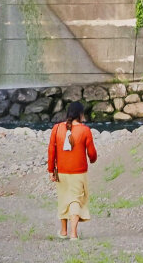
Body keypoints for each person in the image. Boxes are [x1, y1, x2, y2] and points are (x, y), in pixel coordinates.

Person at [47, 101, 98, 240]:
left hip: (61, 171)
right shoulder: (85, 130)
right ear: (80, 114)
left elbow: (51, 151)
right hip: (79, 172)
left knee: (63, 199)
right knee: (75, 200)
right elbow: (92, 154)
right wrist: (93, 159)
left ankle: (63, 231)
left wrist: (51, 170)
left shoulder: (57, 128)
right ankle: (73, 233)